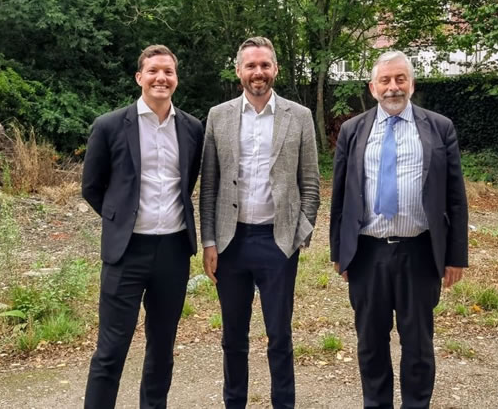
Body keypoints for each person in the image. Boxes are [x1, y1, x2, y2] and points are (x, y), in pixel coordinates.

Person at [330, 50, 468, 408]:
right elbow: (341, 196)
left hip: (419, 252)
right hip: (367, 253)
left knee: (418, 345)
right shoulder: (352, 130)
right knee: (371, 345)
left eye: (400, 79)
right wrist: (339, 253)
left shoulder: (439, 128)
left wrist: (456, 256)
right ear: (372, 87)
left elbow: (455, 197)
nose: (393, 87)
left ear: (411, 83)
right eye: (385, 81)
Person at [199, 36, 320, 409]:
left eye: (265, 65)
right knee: (233, 337)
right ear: (239, 71)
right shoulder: (218, 116)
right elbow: (209, 185)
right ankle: (234, 403)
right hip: (230, 243)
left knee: (279, 336)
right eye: (251, 66)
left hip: (278, 242)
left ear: (275, 69)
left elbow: (311, 182)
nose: (258, 73)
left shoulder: (298, 117)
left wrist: (301, 232)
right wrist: (209, 242)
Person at [81, 44, 204, 409]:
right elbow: (91, 186)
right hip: (126, 252)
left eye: (168, 71)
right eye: (153, 71)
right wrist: (120, 220)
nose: (160, 78)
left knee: (162, 347)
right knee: (111, 348)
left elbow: (189, 180)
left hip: (173, 251)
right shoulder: (109, 125)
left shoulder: (192, 128)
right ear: (140, 77)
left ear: (176, 79)